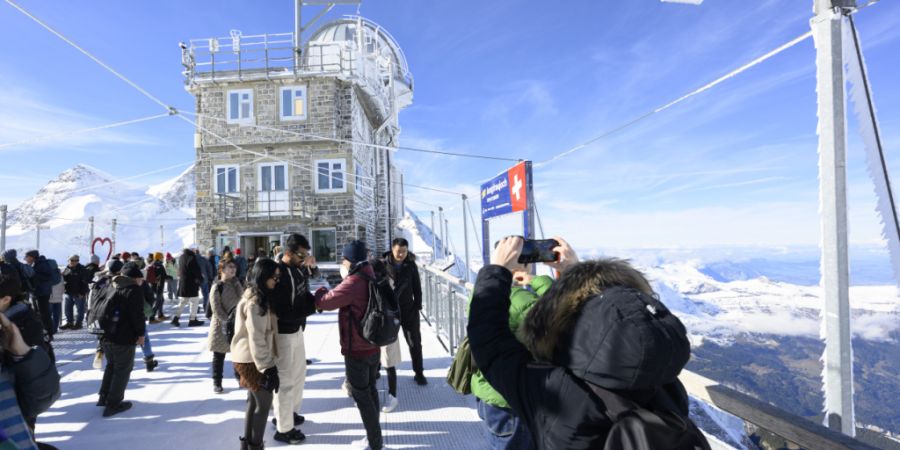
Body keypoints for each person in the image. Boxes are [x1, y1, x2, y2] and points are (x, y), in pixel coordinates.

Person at [468, 237, 698, 449]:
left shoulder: (557, 390)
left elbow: (489, 341)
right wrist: (573, 270)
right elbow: (623, 316)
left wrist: (496, 271)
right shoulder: (667, 386)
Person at [468, 255, 553, 450]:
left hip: (488, 392)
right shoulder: (521, 299)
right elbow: (560, 314)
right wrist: (540, 282)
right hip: (511, 403)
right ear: (522, 266)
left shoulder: (483, 293)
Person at [315, 240, 383, 450]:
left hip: (358, 347)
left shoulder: (354, 282)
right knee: (370, 390)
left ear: (351, 260)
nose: (342, 263)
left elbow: (325, 302)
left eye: (343, 259)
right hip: (373, 344)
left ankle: (374, 442)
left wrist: (320, 290)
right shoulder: (372, 275)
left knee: (361, 395)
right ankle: (374, 438)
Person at [0, 274, 61, 450]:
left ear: (6, 299)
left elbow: (42, 394)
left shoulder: (24, 325)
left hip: (19, 406)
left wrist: (22, 354)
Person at [270, 234, 317, 444]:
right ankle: (283, 428)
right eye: (301, 255)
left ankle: (289, 414)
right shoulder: (278, 275)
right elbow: (282, 310)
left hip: (297, 330)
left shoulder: (297, 268)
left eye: (307, 254)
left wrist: (312, 269)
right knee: (285, 382)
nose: (304, 258)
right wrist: (313, 307)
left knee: (299, 375)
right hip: (283, 333)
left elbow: (305, 288)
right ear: (288, 253)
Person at [231, 258, 282, 450]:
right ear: (263, 276)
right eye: (274, 277)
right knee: (263, 403)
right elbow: (257, 338)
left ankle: (248, 444)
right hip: (252, 359)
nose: (276, 280)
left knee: (253, 402)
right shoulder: (255, 303)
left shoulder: (255, 296)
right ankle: (255, 445)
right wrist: (268, 368)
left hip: (247, 357)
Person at [97, 262, 147, 418]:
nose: (142, 282)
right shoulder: (133, 290)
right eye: (140, 279)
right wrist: (140, 334)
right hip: (123, 337)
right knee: (123, 369)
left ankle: (104, 397)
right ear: (134, 278)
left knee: (111, 366)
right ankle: (114, 403)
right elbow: (137, 315)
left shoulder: (111, 285)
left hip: (105, 335)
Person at [382, 238, 426, 385]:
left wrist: (417, 306)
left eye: (404, 251)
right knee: (384, 342)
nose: (401, 254)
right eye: (398, 251)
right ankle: (376, 371)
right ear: (392, 250)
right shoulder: (383, 264)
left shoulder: (411, 265)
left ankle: (419, 373)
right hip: (389, 310)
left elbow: (417, 287)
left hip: (408, 310)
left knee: (415, 342)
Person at [208, 259, 243, 394]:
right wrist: (227, 320)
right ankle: (217, 382)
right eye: (230, 267)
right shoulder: (217, 286)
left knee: (238, 353)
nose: (233, 269)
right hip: (220, 326)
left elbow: (243, 299)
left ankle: (240, 378)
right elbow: (215, 307)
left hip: (237, 323)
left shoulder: (236, 283)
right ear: (221, 270)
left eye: (234, 267)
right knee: (219, 355)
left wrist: (237, 283)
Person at [371, 260, 400, 413]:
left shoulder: (384, 283)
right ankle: (379, 396)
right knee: (378, 363)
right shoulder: (379, 281)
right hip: (382, 328)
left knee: (388, 363)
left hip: (386, 328)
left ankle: (392, 396)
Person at [24, 250, 56, 341]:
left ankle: (49, 334)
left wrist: (34, 275)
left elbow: (47, 276)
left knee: (44, 314)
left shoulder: (41, 264)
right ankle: (45, 333)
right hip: (39, 292)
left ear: (32, 257)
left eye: (26, 257)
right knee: (40, 313)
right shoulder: (37, 264)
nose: (25, 259)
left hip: (42, 293)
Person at [171, 248, 204, 327]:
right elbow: (196, 271)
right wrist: (201, 279)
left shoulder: (181, 257)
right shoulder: (192, 258)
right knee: (194, 301)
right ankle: (192, 320)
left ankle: (176, 318)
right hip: (191, 284)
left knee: (182, 302)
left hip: (183, 283)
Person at [61, 255, 89, 330]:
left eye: (74, 260)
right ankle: (69, 322)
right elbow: (63, 280)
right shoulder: (66, 269)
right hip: (68, 292)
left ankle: (79, 323)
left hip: (79, 292)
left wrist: (82, 293)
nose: (72, 262)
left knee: (80, 309)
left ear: (77, 261)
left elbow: (85, 282)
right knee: (67, 309)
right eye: (71, 260)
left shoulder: (82, 269)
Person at [147, 253, 168, 323]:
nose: (163, 258)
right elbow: (162, 275)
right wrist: (169, 277)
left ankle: (160, 315)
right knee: (158, 302)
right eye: (162, 257)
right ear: (159, 257)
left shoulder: (153, 264)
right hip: (158, 286)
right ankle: (151, 318)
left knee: (161, 300)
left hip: (154, 286)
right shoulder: (159, 265)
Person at [201, 249, 217, 313]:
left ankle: (208, 307)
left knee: (209, 293)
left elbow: (210, 269)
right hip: (215, 277)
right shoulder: (216, 258)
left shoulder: (208, 260)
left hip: (210, 278)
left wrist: (210, 278)